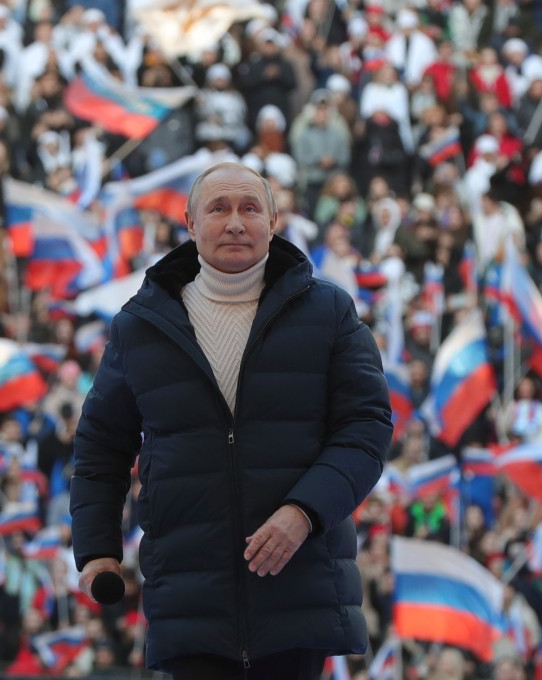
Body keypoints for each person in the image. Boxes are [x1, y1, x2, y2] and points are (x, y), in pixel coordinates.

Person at [71, 162, 392, 679]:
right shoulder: (139, 326)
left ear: (273, 220)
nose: (235, 222)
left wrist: (304, 512)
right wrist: (96, 551)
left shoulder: (329, 311)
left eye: (249, 208)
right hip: (189, 601)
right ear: (191, 224)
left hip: (298, 591)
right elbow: (99, 449)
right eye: (218, 208)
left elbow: (367, 428)